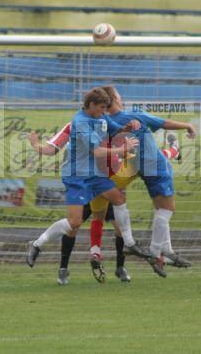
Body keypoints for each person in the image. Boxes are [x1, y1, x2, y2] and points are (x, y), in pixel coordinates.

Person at [30, 120, 182, 284]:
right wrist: (37, 146)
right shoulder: (76, 126)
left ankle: (123, 262)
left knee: (115, 218)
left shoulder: (109, 124)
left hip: (108, 180)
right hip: (90, 182)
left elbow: (122, 146)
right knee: (77, 223)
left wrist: (125, 143)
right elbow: (54, 149)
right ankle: (65, 265)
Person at [26, 87, 147, 269]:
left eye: (105, 108)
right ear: (91, 105)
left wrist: (128, 127)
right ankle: (37, 244)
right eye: (101, 108)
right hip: (77, 177)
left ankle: (130, 244)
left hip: (96, 175)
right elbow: (96, 151)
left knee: (118, 198)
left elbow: (116, 130)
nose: (104, 112)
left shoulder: (101, 116)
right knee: (74, 222)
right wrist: (36, 146)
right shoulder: (80, 123)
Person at [102, 85, 196, 277]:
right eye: (118, 93)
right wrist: (187, 125)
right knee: (167, 209)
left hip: (141, 168)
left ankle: (167, 252)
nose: (121, 96)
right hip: (156, 165)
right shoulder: (132, 116)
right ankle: (155, 253)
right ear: (114, 98)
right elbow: (163, 122)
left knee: (160, 209)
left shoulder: (107, 123)